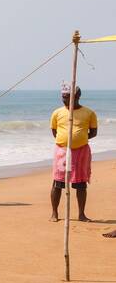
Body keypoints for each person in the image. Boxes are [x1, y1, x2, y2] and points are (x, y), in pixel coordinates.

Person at [49, 85, 99, 222]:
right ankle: (54, 213)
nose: (63, 100)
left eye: (66, 97)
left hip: (81, 151)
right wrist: (66, 140)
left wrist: (79, 138)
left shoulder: (89, 113)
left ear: (76, 97)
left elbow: (93, 132)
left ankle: (81, 214)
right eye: (63, 97)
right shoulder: (57, 113)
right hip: (62, 151)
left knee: (80, 183)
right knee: (58, 182)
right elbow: (54, 131)